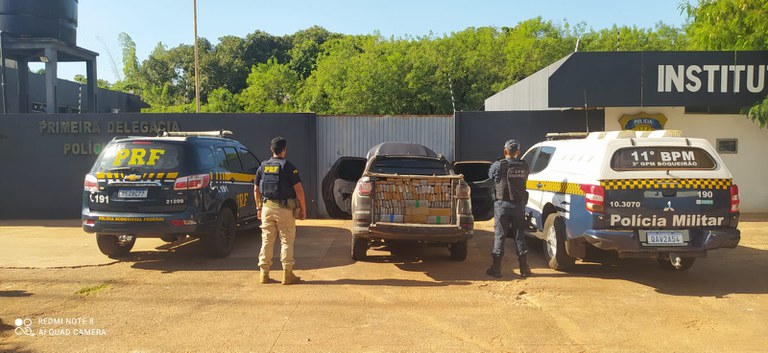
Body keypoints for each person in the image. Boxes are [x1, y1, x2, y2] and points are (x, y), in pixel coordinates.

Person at [254, 137, 307, 285]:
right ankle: (287, 274)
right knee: (287, 241)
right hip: (284, 210)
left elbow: (256, 189)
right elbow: (299, 191)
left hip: (266, 208)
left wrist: (258, 208)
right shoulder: (288, 166)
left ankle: (264, 274)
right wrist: (303, 208)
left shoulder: (263, 166)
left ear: (272, 149)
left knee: (267, 241)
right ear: (284, 150)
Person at [486, 139, 532, 279]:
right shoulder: (524, 166)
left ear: (505, 151)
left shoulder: (498, 165)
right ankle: (524, 269)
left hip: (502, 206)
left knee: (500, 236)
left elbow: (490, 177)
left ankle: (496, 269)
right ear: (519, 152)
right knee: (520, 237)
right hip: (518, 206)